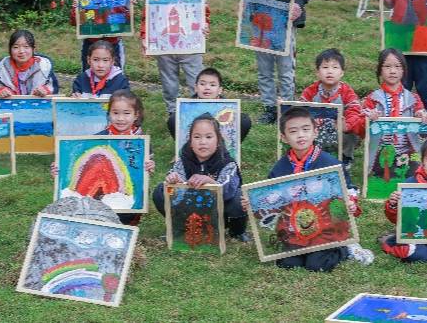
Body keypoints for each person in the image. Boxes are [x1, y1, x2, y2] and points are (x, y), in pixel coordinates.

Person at [242, 107, 374, 271]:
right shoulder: (279, 168)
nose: (300, 135)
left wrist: (351, 204)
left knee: (317, 265)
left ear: (315, 132)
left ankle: (346, 249)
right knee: (288, 264)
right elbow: (272, 200)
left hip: (327, 228)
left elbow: (349, 189)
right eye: (293, 131)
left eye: (306, 129)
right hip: (296, 228)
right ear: (284, 137)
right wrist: (253, 204)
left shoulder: (331, 164)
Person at [50, 89, 154, 226]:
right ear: (109, 114)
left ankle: (126, 222)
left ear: (136, 115)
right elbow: (71, 165)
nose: (121, 118)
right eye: (115, 113)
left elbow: (143, 175)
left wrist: (150, 168)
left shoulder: (141, 143)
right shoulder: (96, 140)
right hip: (95, 203)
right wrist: (58, 172)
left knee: (139, 195)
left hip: (126, 200)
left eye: (126, 113)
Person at [153, 113, 250, 242]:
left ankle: (236, 232)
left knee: (240, 197)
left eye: (209, 137)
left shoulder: (227, 162)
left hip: (219, 215)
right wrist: (174, 180)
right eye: (197, 137)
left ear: (218, 141)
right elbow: (176, 180)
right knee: (161, 190)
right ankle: (182, 227)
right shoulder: (183, 160)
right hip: (190, 212)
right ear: (190, 141)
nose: (203, 142)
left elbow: (229, 189)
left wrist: (211, 182)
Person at [140, 0, 208, 116]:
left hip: (190, 46)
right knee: (169, 80)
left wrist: (205, 24)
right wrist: (145, 36)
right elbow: (148, 15)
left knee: (195, 77)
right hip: (165, 47)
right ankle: (173, 112)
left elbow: (203, 12)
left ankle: (199, 110)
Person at [300, 48, 364, 167]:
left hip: (340, 131)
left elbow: (355, 111)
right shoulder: (310, 91)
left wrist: (347, 125)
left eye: (335, 67)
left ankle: (346, 156)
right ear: (318, 72)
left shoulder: (347, 92)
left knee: (356, 126)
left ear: (341, 73)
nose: (330, 71)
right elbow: (300, 110)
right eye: (325, 67)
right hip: (317, 131)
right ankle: (312, 154)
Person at [167, 67, 252, 143]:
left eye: (212, 85)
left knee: (244, 120)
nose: (207, 87)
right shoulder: (188, 106)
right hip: (195, 135)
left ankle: (234, 150)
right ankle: (180, 149)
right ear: (196, 88)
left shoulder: (227, 106)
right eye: (202, 84)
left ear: (220, 90)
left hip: (220, 136)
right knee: (173, 119)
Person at [361, 48, 427, 134]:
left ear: (403, 70)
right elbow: (361, 131)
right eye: (387, 66)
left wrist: (423, 118)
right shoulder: (372, 99)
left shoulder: (414, 99)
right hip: (380, 147)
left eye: (397, 66)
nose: (392, 71)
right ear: (380, 70)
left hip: (407, 147)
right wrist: (368, 120)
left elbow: (423, 133)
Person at [0, 29, 58, 96]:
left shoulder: (44, 67)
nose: (21, 51)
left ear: (33, 49)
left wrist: (45, 90)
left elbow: (53, 89)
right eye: (16, 47)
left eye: (26, 47)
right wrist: (2, 91)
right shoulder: (1, 68)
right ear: (10, 50)